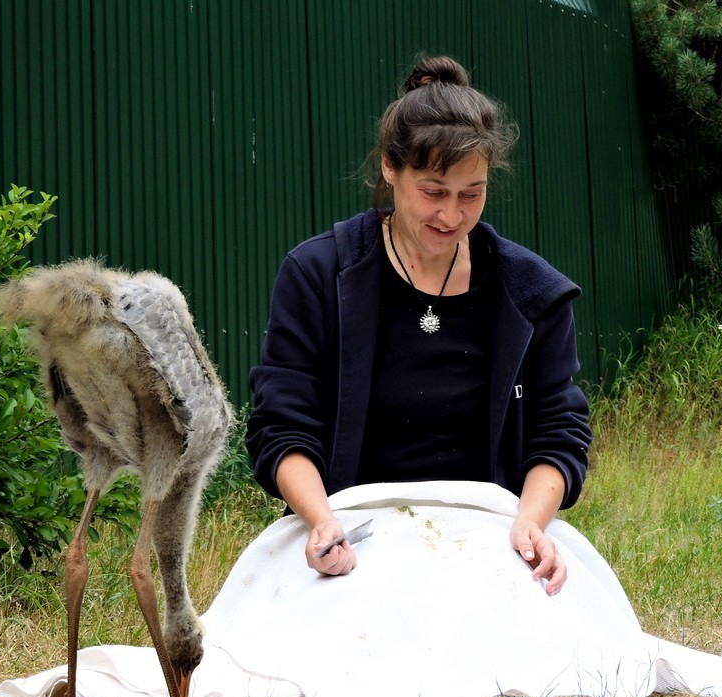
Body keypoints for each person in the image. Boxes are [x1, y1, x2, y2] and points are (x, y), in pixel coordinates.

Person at [246, 54, 592, 595]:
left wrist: (530, 522)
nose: (452, 216)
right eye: (433, 191)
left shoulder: (531, 294)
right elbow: (282, 425)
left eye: (471, 194)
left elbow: (558, 431)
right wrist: (321, 521)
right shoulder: (316, 274)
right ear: (390, 167)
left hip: (490, 534)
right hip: (352, 531)